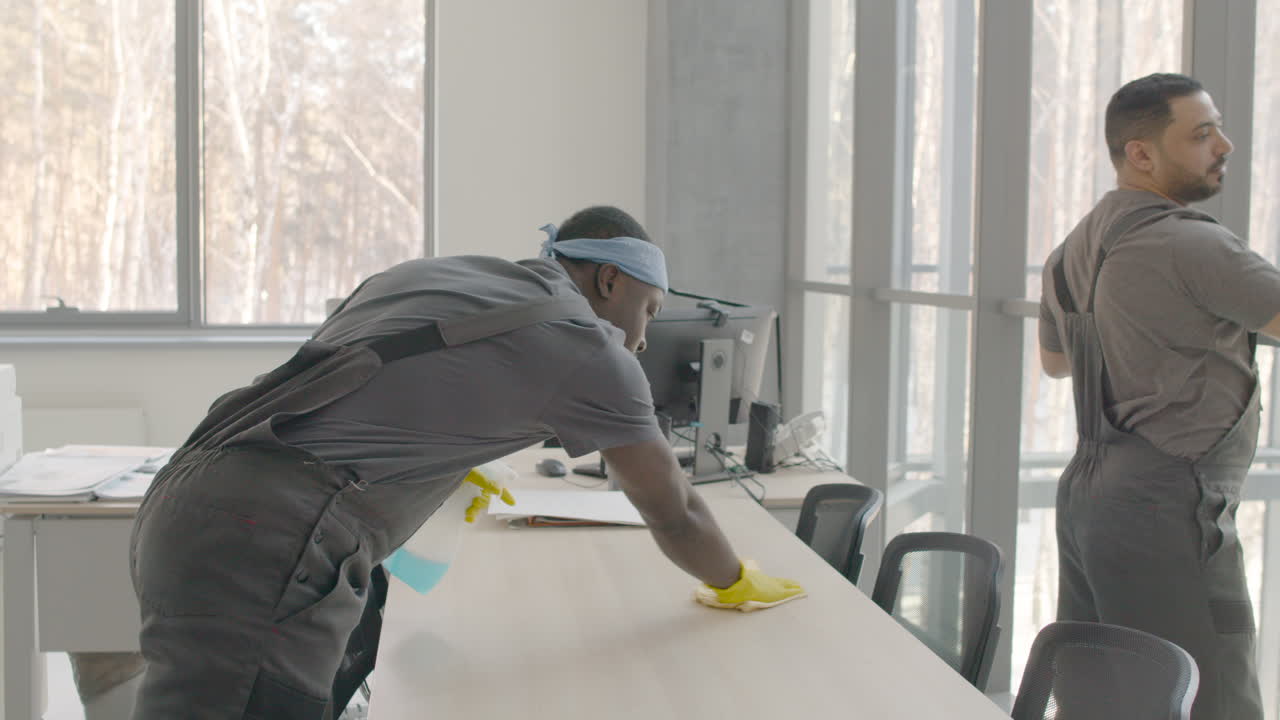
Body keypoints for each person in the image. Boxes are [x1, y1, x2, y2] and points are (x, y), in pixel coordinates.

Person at [128, 205, 805, 719]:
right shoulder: (590, 347)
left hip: (191, 500)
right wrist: (734, 579)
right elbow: (675, 509)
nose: (644, 336)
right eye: (649, 310)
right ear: (608, 280)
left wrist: (449, 460)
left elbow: (343, 387)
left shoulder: (435, 274)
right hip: (268, 541)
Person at [1039, 73, 1280, 719]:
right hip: (1170, 506)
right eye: (1202, 134)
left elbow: (1055, 362)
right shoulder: (1192, 243)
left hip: (1089, 498)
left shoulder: (1069, 252)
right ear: (1141, 153)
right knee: (1212, 696)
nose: (1224, 145)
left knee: (1102, 696)